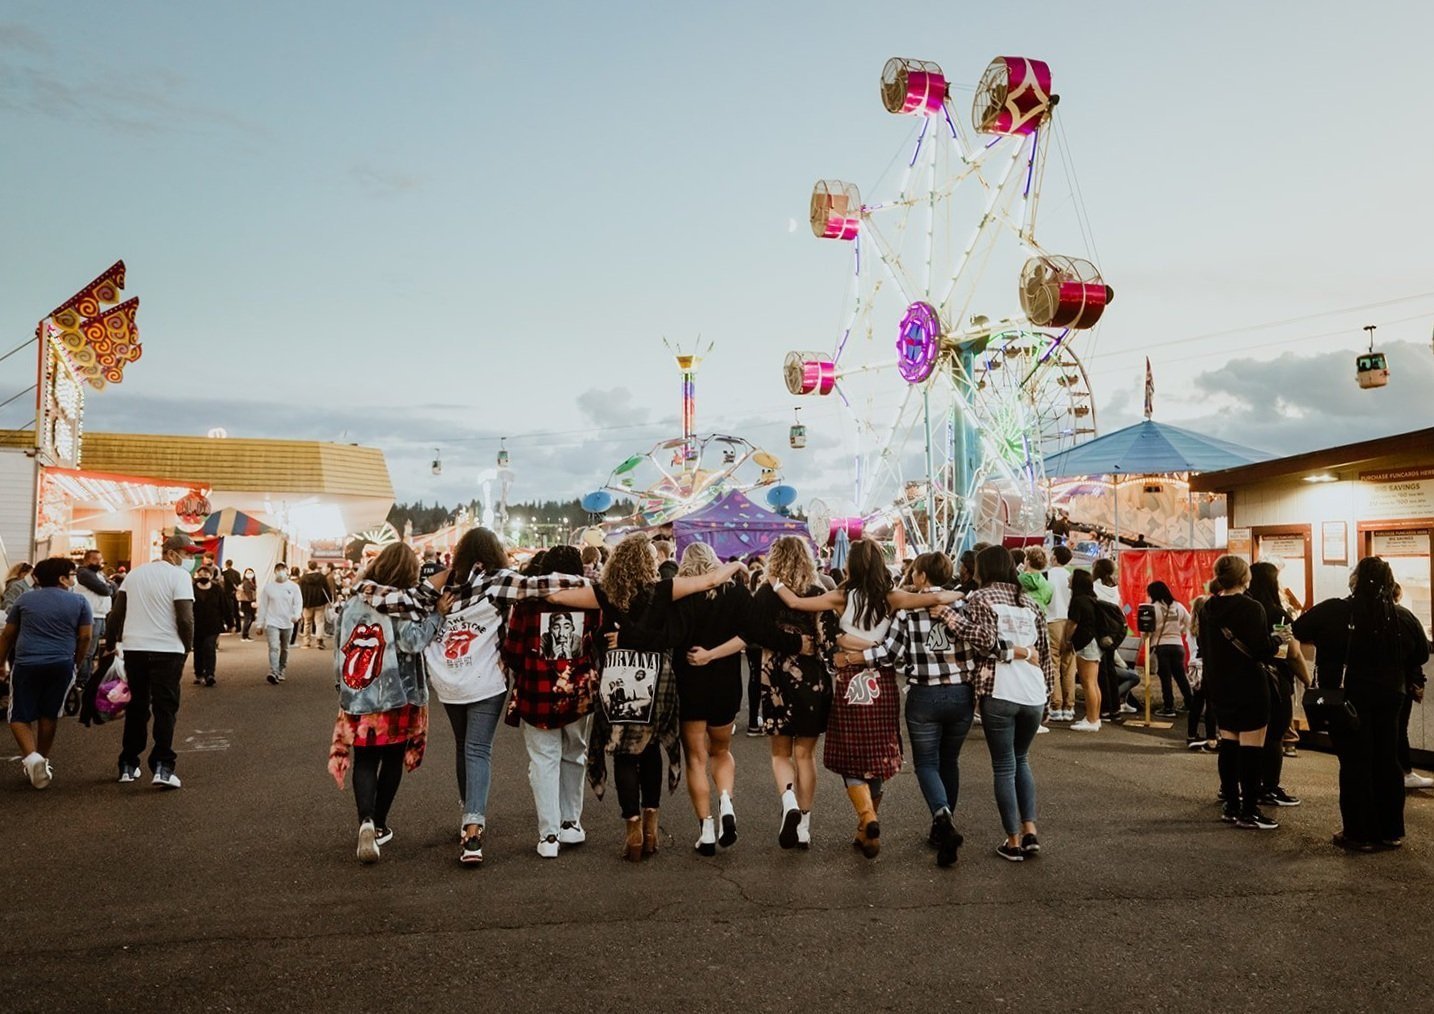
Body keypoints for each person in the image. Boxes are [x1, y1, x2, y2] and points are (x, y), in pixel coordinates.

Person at [547, 533, 745, 862]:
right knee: (650, 748)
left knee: (623, 753)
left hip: (617, 675)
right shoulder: (663, 590)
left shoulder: (604, 592)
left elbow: (556, 599)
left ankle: (633, 829)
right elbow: (709, 579)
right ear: (645, 561)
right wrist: (737, 563)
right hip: (655, 675)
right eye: (652, 557)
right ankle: (652, 826)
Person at [771, 538, 957, 858]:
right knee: (877, 755)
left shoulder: (841, 597)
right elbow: (940, 595)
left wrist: (773, 580)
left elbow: (796, 603)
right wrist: (958, 595)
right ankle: (866, 830)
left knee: (851, 754)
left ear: (851, 565)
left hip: (850, 679)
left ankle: (867, 819)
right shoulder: (892, 597)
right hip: (881, 680)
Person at [414, 528, 588, 865]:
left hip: (448, 680)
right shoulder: (497, 581)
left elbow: (413, 605)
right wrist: (586, 584)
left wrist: (437, 607)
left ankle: (469, 812)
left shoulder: (445, 584)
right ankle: (473, 830)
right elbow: (538, 586)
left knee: (464, 747)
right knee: (478, 750)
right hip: (485, 679)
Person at [840, 551, 979, 867]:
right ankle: (941, 826)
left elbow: (890, 653)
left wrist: (852, 656)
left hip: (924, 696)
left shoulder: (907, 612)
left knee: (927, 763)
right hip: (961, 694)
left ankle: (942, 817)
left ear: (921, 576)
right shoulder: (963, 605)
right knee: (950, 761)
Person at [1293, 557, 1429, 850]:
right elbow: (1421, 653)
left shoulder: (1336, 610)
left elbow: (1299, 628)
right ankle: (1391, 831)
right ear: (1389, 584)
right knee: (1386, 761)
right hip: (1391, 698)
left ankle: (1360, 833)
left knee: (1355, 763)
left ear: (1354, 580)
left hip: (1347, 700)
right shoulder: (1401, 617)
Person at [931, 545, 1055, 861]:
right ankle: (1031, 832)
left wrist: (946, 615)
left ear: (985, 570)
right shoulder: (1030, 603)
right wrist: (1049, 697)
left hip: (999, 689)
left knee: (1004, 765)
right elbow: (1046, 654)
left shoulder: (980, 599)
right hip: (1033, 692)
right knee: (1022, 760)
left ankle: (1012, 841)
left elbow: (985, 641)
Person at [328, 542, 436, 864]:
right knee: (391, 759)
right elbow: (412, 641)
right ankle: (380, 825)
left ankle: (366, 821)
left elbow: (338, 644)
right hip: (394, 694)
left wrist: (342, 685)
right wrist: (437, 616)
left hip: (359, 692)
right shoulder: (397, 603)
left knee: (364, 759)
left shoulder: (354, 600)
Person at [500, 545, 599, 859]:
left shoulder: (528, 601)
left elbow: (512, 650)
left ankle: (550, 835)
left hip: (536, 690)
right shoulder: (592, 598)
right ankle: (572, 821)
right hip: (580, 690)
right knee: (575, 753)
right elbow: (598, 641)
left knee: (544, 759)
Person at [669, 542, 751, 856]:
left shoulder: (679, 594)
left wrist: (701, 656)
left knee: (696, 758)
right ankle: (726, 800)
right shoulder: (736, 594)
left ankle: (705, 829)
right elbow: (747, 636)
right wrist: (714, 655)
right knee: (721, 750)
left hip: (690, 681)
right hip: (726, 682)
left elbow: (670, 636)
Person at [103, 533, 202, 788]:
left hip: (135, 648)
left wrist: (112, 643)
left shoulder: (135, 574)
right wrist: (187, 646)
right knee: (165, 708)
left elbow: (116, 614)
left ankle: (128, 764)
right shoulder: (180, 576)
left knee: (137, 706)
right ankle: (163, 767)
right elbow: (185, 618)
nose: (191, 559)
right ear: (172, 553)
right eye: (188, 554)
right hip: (168, 650)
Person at [1197, 554, 1280, 831]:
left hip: (1220, 686)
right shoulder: (1252, 608)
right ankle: (1249, 810)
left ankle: (1231, 805)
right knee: (1252, 750)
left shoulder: (1207, 608)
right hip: (1250, 686)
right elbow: (1262, 650)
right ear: (1246, 578)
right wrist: (1280, 638)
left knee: (1229, 746)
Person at [0, 557, 92, 789]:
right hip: (62, 663)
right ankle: (42, 759)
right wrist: (76, 662)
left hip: (27, 662)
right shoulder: (80, 601)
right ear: (62, 579)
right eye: (72, 575)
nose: (74, 579)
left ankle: (32, 758)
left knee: (19, 714)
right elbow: (86, 637)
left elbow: (8, 635)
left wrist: (0, 663)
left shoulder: (25, 599)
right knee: (49, 714)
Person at [1394, 584, 1433, 789]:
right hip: (1401, 683)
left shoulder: (1362, 615)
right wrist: (1417, 680)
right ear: (1398, 595)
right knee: (1400, 728)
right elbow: (1422, 652)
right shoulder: (1404, 615)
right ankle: (1405, 772)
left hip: (1369, 684)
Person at [1146, 581, 1193, 719]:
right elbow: (1189, 622)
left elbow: (1147, 630)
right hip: (1178, 646)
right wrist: (1180, 631)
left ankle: (1168, 707)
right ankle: (1190, 703)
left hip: (1160, 646)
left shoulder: (1153, 608)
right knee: (1181, 677)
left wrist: (1148, 641)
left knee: (1165, 678)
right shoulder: (1178, 606)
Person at [1066, 569, 1105, 731]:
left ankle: (1091, 720)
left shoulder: (1078, 601)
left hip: (1085, 643)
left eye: (1071, 577)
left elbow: (1072, 624)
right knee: (1093, 683)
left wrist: (1066, 640)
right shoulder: (1092, 599)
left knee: (1087, 682)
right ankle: (1094, 717)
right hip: (1094, 643)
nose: (1069, 578)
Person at [73, 549, 114, 692]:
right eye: (95, 559)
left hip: (100, 615)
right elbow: (105, 590)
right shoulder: (84, 573)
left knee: (94, 650)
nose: (99, 562)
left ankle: (87, 677)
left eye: (100, 559)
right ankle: (81, 680)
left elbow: (112, 587)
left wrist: (109, 586)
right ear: (86, 561)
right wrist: (108, 586)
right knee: (88, 650)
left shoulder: (98, 574)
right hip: (91, 616)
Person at [256, 563, 303, 685]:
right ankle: (273, 671)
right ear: (275, 572)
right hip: (272, 622)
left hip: (288, 622)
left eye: (283, 569)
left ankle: (282, 669)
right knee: (274, 647)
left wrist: (296, 615)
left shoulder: (294, 587)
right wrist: (260, 624)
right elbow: (263, 606)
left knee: (285, 648)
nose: (281, 571)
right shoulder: (269, 588)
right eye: (278, 569)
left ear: (287, 571)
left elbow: (298, 603)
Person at [1186, 581, 1219, 750]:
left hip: (1193, 667)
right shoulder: (1209, 627)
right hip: (1206, 667)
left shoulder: (1191, 628)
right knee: (1211, 702)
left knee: (1196, 703)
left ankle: (1191, 735)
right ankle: (1211, 737)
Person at [1045, 545, 1076, 722]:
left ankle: (1056, 705)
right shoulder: (1071, 576)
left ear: (1055, 557)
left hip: (1053, 621)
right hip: (1070, 622)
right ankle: (1069, 706)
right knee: (1069, 666)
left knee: (1053, 664)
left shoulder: (1047, 575)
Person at [191, 565, 227, 687]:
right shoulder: (192, 589)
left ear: (211, 576)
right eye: (200, 575)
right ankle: (199, 673)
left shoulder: (217, 589)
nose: (203, 577)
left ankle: (210, 674)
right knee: (198, 649)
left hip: (213, 625)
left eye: (206, 575)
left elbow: (224, 606)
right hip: (196, 625)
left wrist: (230, 622)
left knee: (209, 647)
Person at [299, 561, 333, 649]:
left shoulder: (303, 578)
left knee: (307, 623)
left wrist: (301, 603)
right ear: (316, 567)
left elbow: (300, 592)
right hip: (319, 602)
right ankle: (319, 641)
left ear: (308, 567)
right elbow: (327, 589)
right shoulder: (321, 577)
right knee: (320, 622)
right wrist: (327, 600)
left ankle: (306, 642)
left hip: (307, 603)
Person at [236, 568, 258, 640]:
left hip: (249, 602)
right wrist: (252, 601)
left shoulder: (251, 582)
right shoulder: (246, 582)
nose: (249, 574)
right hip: (247, 603)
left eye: (251, 572)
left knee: (251, 618)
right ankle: (244, 635)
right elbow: (248, 592)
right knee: (248, 618)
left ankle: (246, 634)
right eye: (248, 573)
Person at [220, 560, 242, 633]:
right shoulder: (237, 573)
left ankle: (231, 626)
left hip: (227, 594)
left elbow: (222, 583)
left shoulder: (224, 573)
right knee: (236, 610)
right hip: (235, 593)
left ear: (226, 564)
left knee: (229, 610)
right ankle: (238, 627)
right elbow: (239, 583)